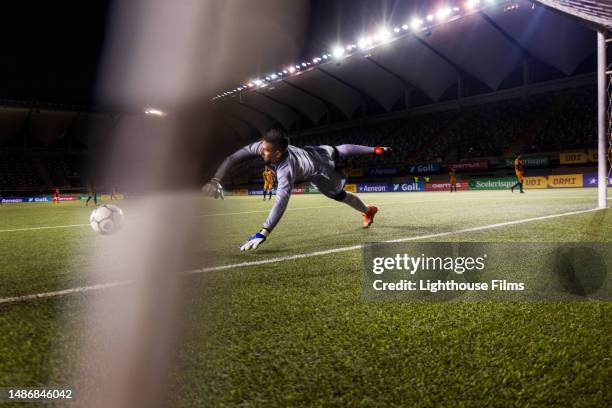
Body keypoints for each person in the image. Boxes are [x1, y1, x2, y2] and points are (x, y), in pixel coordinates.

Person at [202, 128, 391, 251]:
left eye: (267, 150)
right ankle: (369, 210)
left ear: (278, 153)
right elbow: (233, 158)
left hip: (321, 170)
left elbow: (281, 200)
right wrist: (215, 179)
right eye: (263, 147)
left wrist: (264, 231)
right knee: (336, 157)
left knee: (340, 195)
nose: (261, 151)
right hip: (312, 153)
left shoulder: (286, 170)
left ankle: (369, 210)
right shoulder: (263, 147)